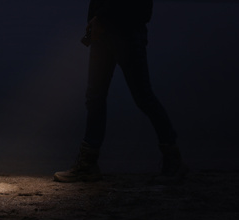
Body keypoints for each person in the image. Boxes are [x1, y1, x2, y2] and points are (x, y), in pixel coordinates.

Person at [53, 0, 188, 184]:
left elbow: (139, 8)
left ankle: (174, 159)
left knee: (142, 97)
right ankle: (88, 165)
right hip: (105, 33)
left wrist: (99, 18)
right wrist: (95, 21)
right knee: (95, 97)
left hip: (125, 32)